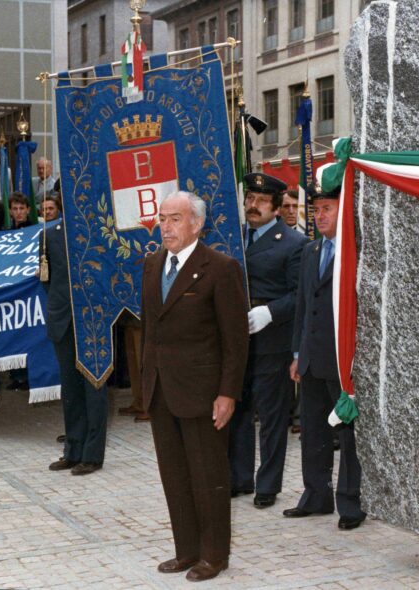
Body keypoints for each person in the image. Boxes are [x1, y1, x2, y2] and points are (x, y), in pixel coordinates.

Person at [140, 191, 248, 582]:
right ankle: (186, 550)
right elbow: (151, 330)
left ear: (197, 224)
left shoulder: (220, 268)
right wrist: (145, 382)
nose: (165, 227)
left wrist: (228, 393)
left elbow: (235, 340)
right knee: (175, 475)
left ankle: (214, 555)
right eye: (162, 219)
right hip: (161, 389)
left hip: (203, 391)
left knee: (208, 476)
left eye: (174, 219)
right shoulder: (152, 265)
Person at [284, 184, 366, 530]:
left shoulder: (355, 250)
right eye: (316, 211)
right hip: (313, 357)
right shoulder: (311, 249)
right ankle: (316, 495)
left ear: (343, 210)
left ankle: (350, 503)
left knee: (346, 432)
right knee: (313, 429)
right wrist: (297, 353)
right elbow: (303, 304)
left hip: (342, 358)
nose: (320, 216)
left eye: (327, 209)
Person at [228, 173, 308, 509]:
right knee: (237, 408)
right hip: (236, 338)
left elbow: (299, 295)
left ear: (277, 208)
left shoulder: (292, 243)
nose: (252, 205)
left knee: (272, 415)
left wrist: (270, 313)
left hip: (272, 338)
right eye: (249, 198)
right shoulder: (232, 237)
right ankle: (239, 477)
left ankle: (267, 484)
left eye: (261, 201)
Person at [45, 217, 107, 476]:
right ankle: (73, 451)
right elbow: (46, 279)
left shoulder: (96, 227)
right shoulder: (48, 235)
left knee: (94, 387)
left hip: (93, 319)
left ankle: (92, 456)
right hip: (63, 319)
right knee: (70, 389)